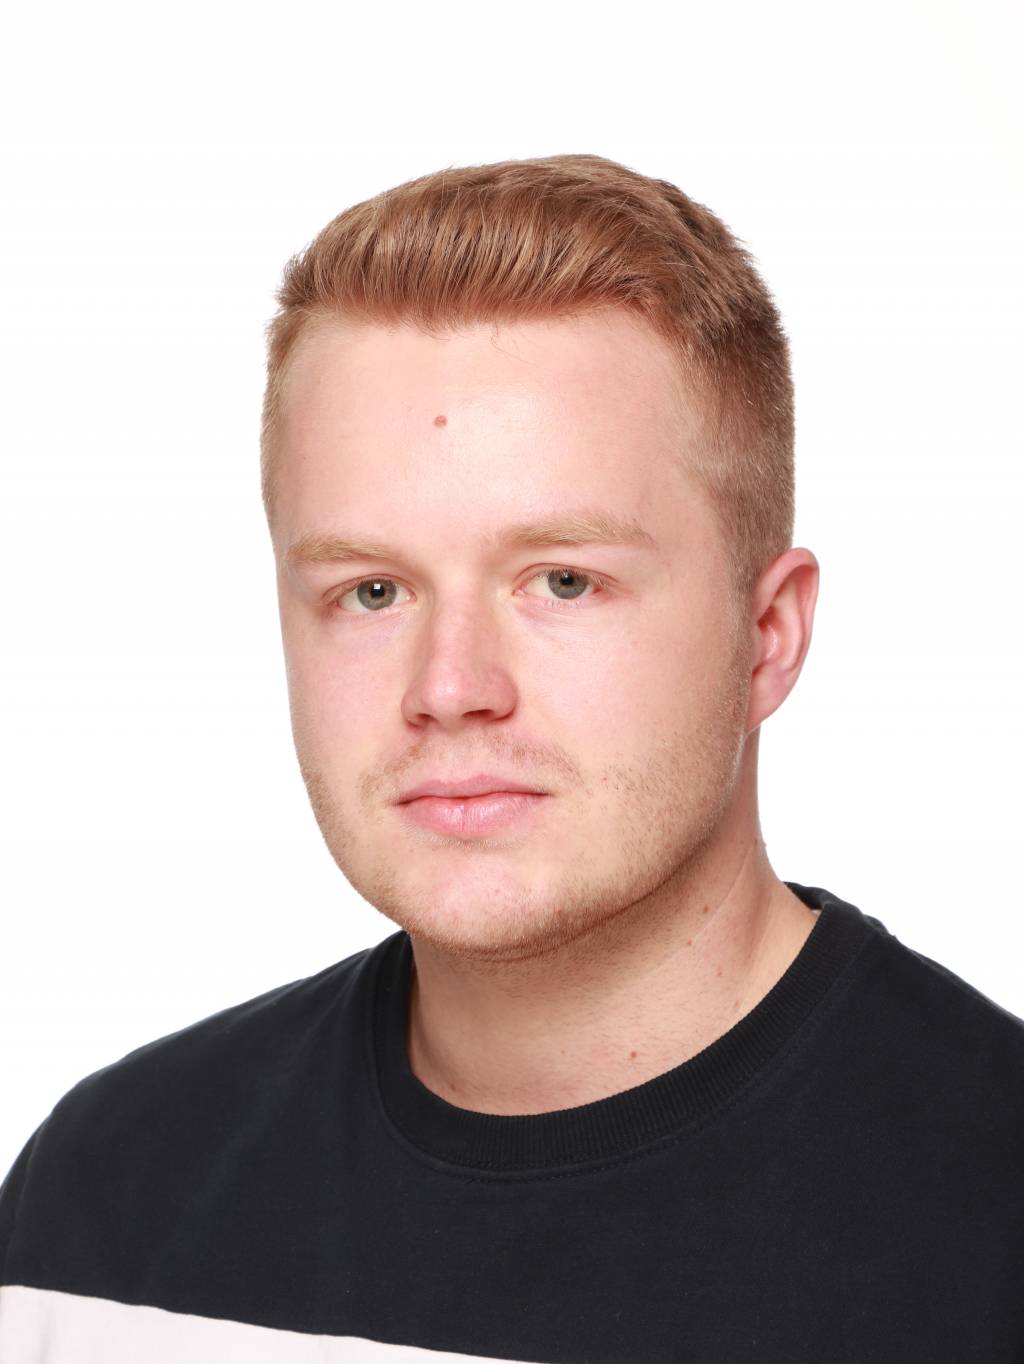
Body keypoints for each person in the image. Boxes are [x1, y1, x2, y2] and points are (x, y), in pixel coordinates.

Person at [1, 152, 1021, 1363]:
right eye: (371, 589)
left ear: (767, 635)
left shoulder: (990, 1217)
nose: (449, 688)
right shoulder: (108, 1207)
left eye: (562, 580)